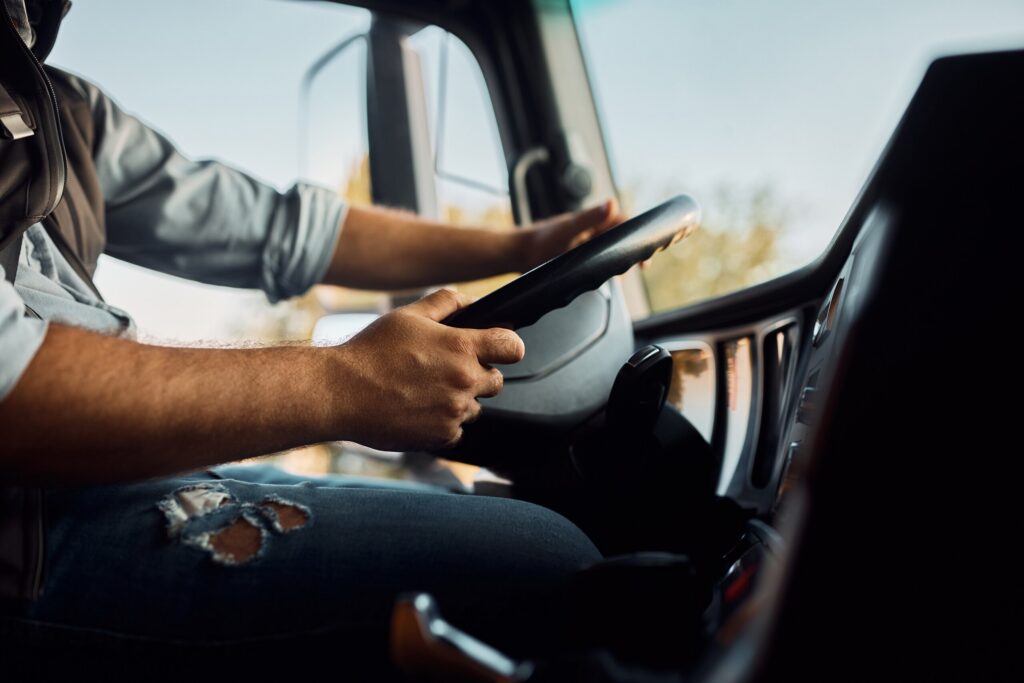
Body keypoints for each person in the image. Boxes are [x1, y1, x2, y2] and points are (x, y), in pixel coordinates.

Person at [0, 0, 619, 674]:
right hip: (24, 546)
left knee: (486, 520)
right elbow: (13, 390)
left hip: (118, 480)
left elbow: (279, 229)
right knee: (548, 561)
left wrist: (530, 244)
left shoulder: (54, 109)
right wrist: (346, 381)